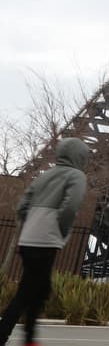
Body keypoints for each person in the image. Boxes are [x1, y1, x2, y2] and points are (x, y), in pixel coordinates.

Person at [0, 137, 89, 346]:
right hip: (46, 240)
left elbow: (22, 205)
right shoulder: (76, 175)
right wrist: (60, 229)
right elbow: (70, 206)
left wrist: (33, 223)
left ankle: (30, 339)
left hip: (28, 238)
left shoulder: (44, 175)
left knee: (39, 289)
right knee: (28, 290)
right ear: (80, 156)